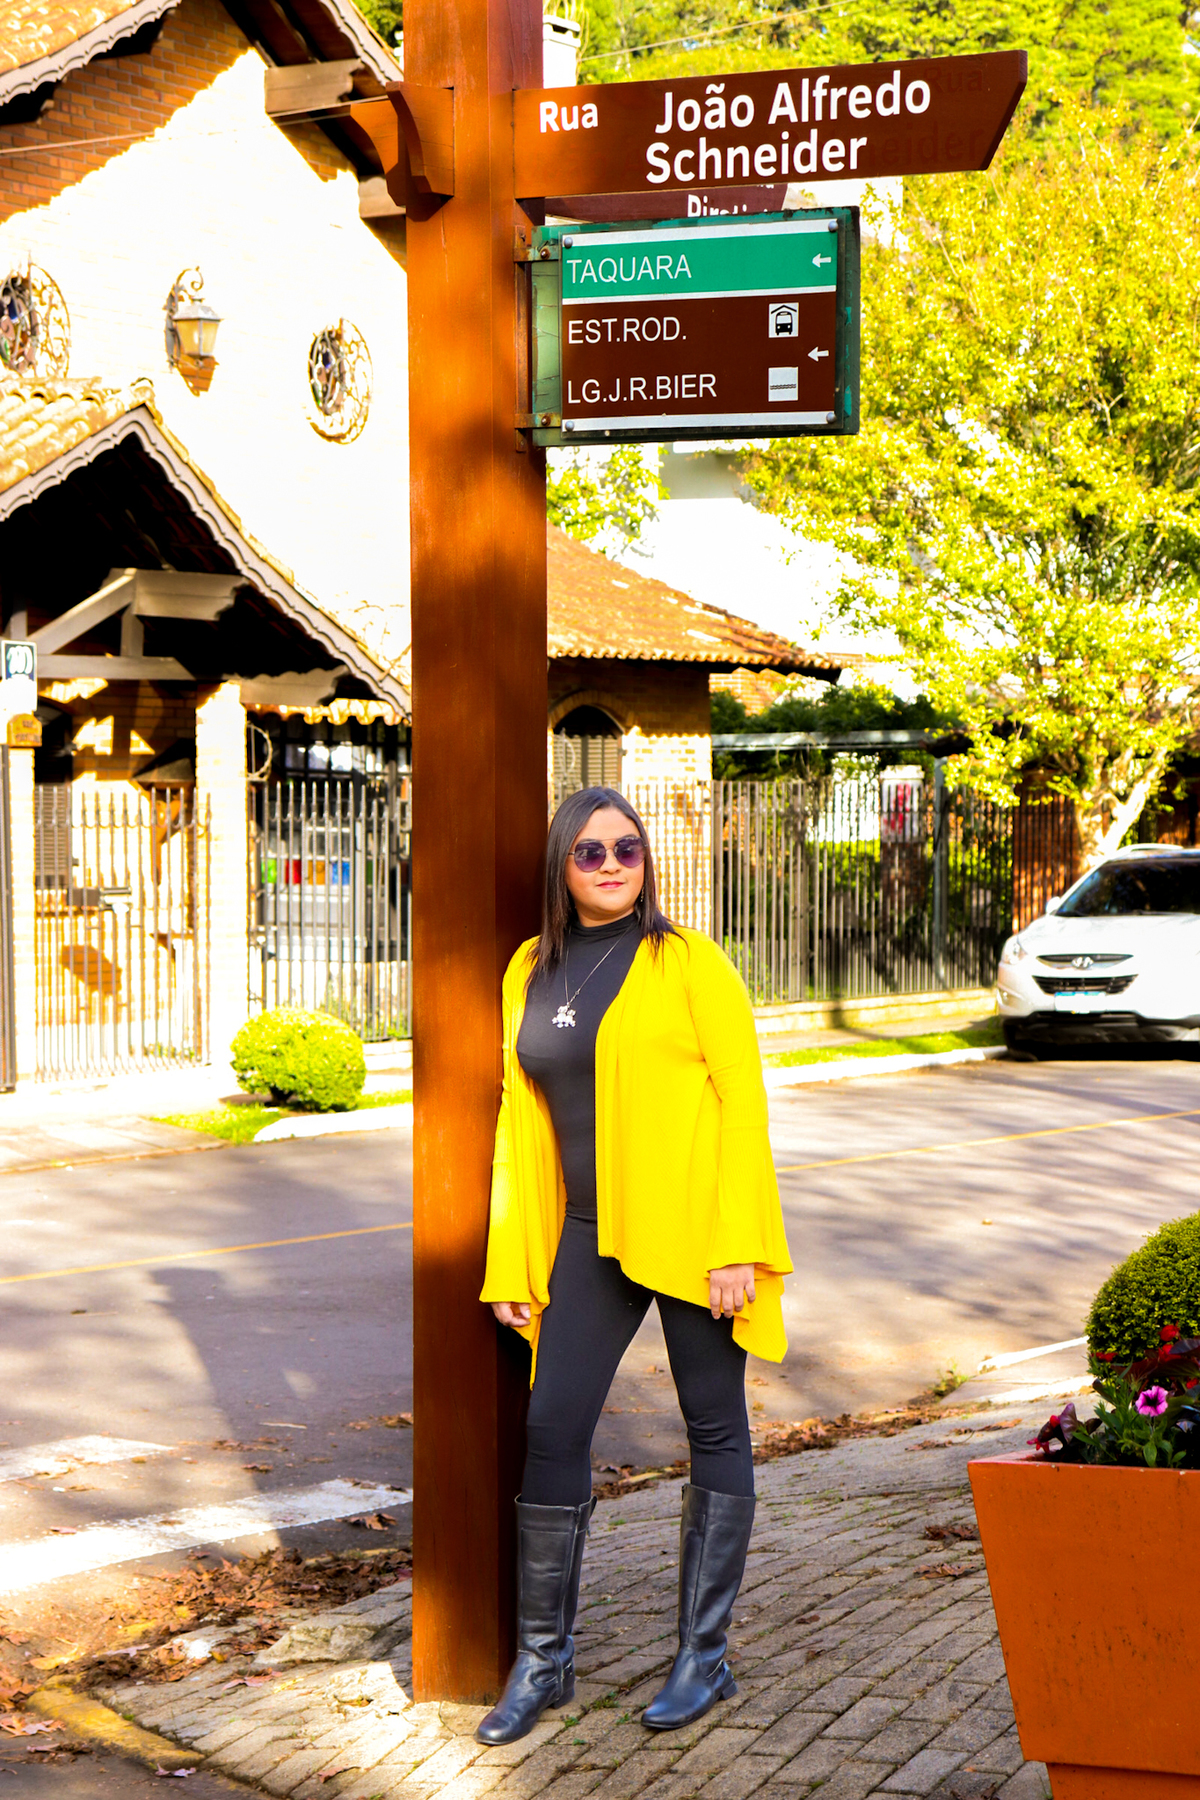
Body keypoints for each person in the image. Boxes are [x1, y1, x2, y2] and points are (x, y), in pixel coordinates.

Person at [476, 786, 792, 1745]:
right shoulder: (529, 966)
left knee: (714, 1425)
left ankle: (704, 1658)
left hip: (694, 1233)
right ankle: (544, 1662)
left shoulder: (690, 961)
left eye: (628, 848)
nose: (612, 864)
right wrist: (510, 1261)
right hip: (585, 1230)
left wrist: (738, 1242)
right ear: (561, 866)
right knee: (552, 1427)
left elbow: (743, 1102)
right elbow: (518, 1121)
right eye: (590, 851)